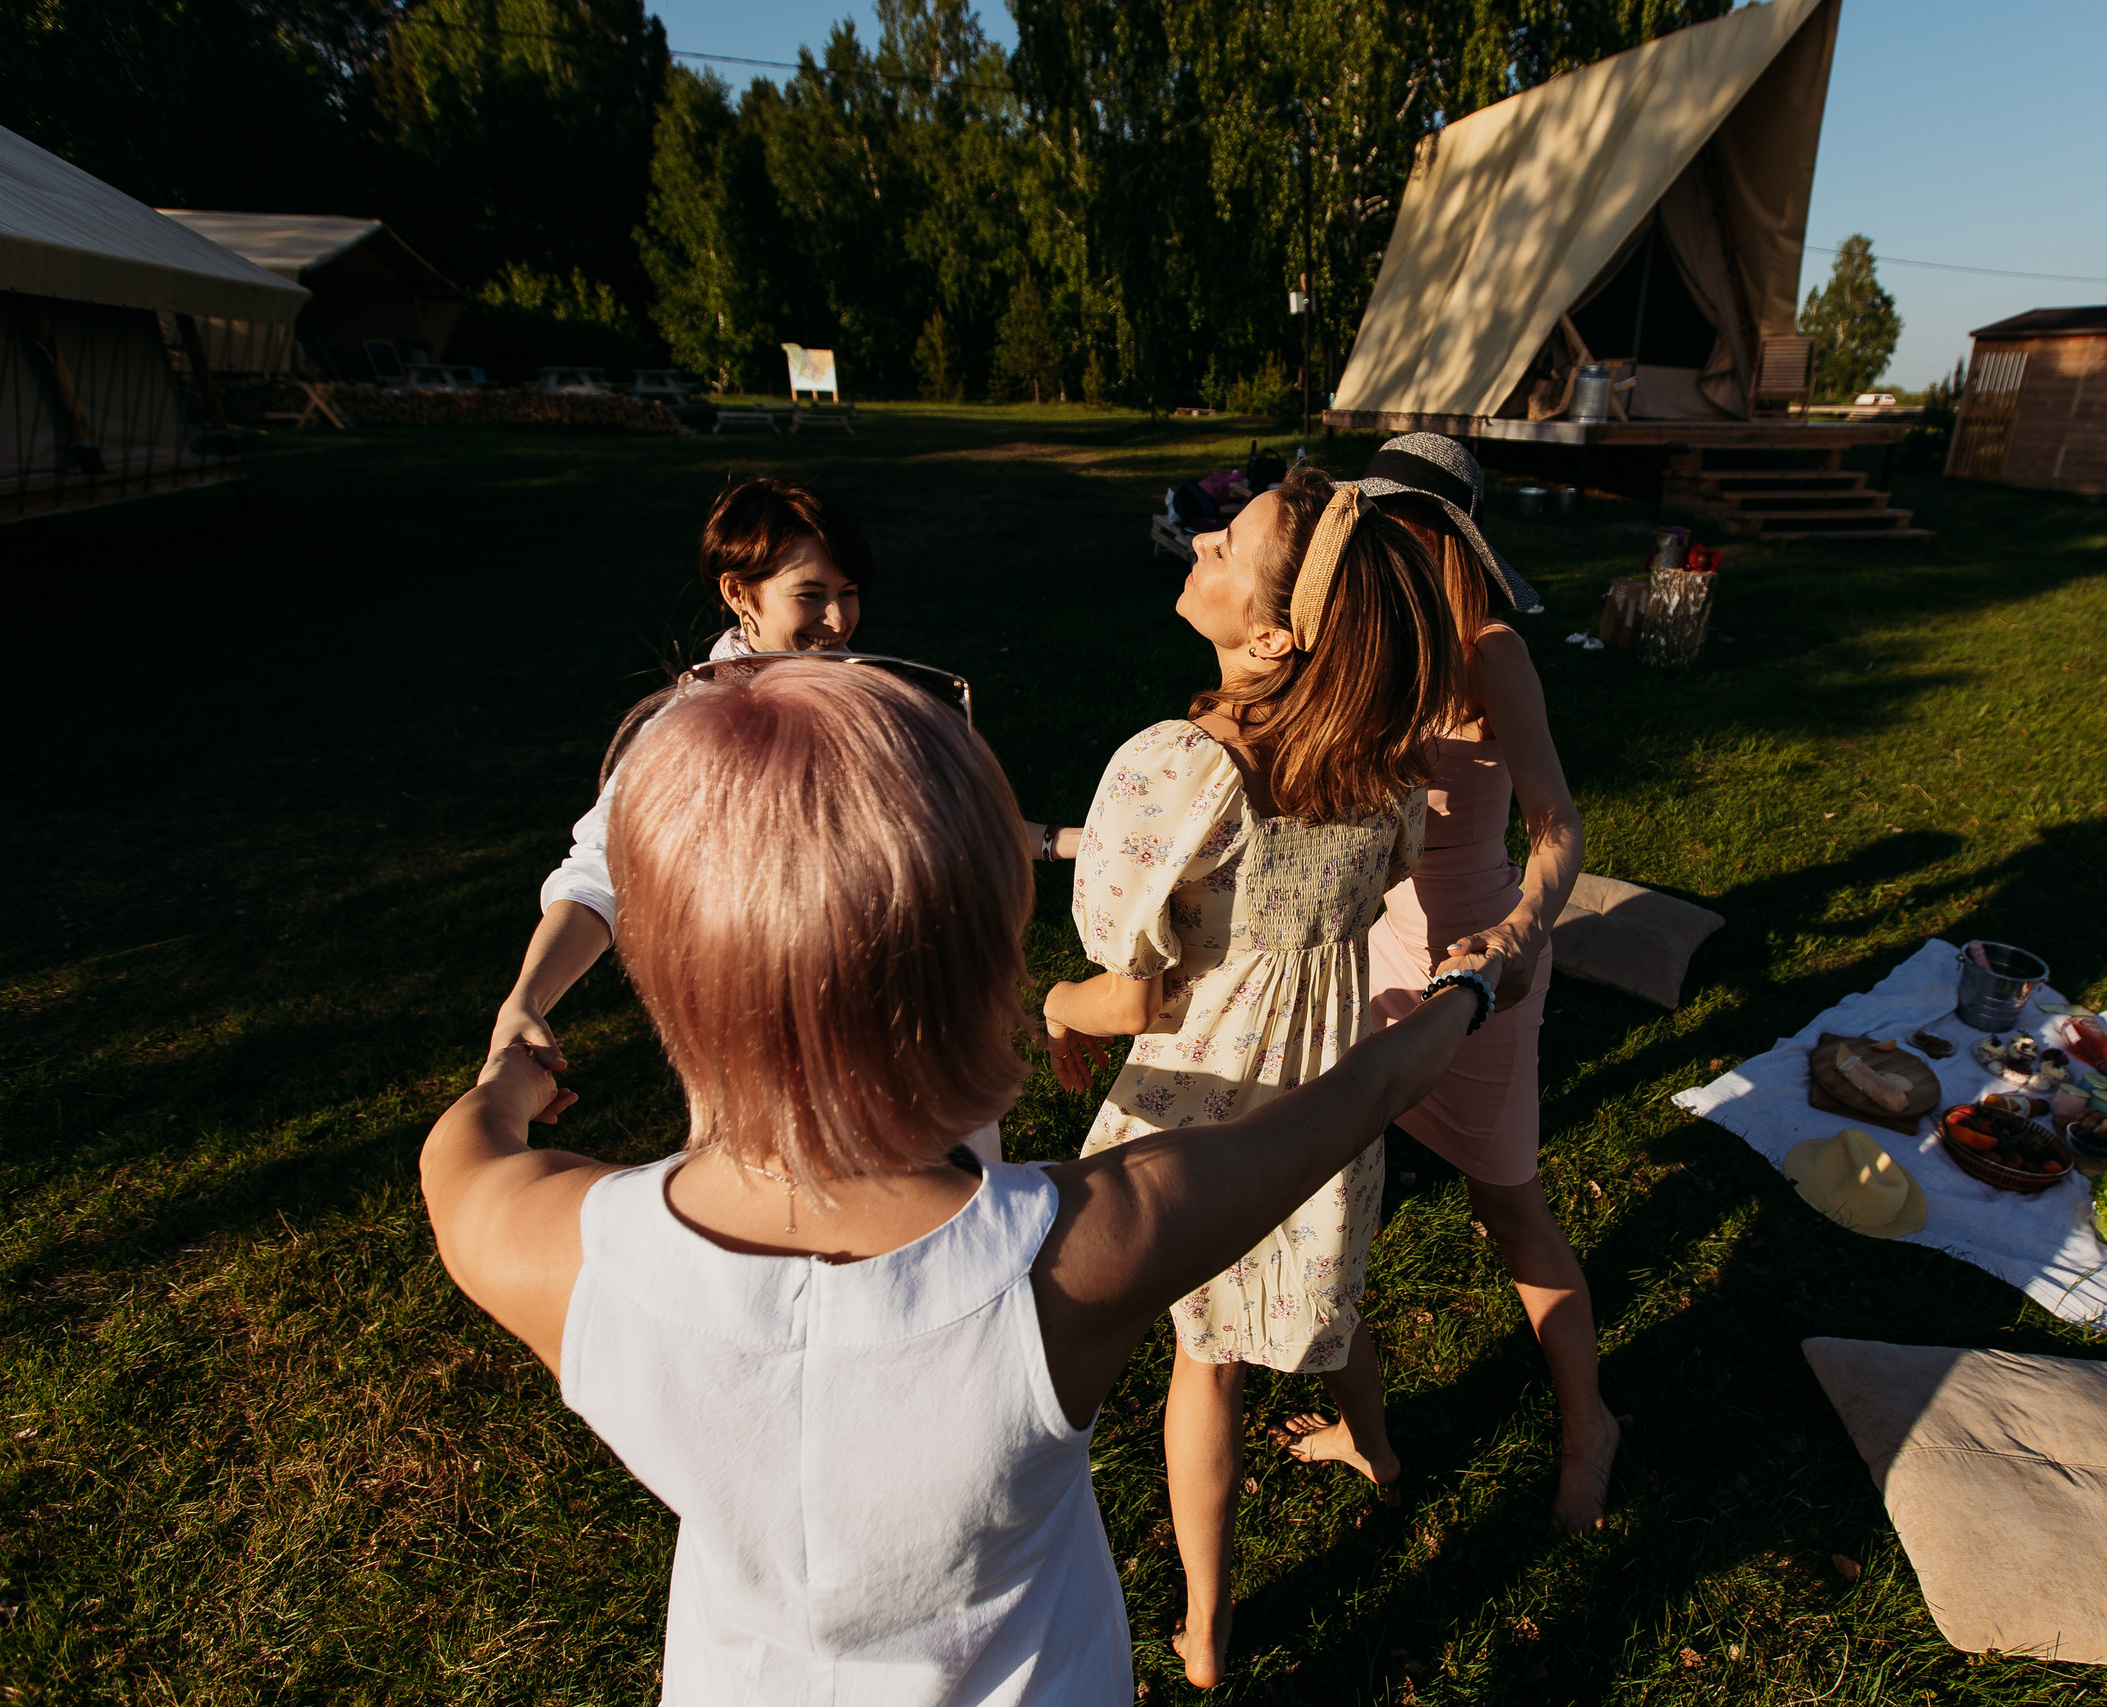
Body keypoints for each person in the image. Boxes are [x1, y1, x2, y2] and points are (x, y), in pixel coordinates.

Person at [418, 660, 1509, 1705]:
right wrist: (1465, 989)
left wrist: (508, 1083)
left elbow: (451, 1160)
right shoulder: (1085, 1251)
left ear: (667, 971)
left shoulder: (563, 1256)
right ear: (984, 960)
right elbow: (1352, 1103)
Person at [1040, 465, 1462, 1688]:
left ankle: (1208, 1630)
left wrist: (1059, 1007)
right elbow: (1381, 887)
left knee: (1208, 1357)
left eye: (1232, 541)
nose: (1204, 534)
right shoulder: (1380, 758)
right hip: (1330, 1090)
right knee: (1332, 1279)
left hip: (1206, 1101)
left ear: (1273, 634)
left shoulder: (1187, 767)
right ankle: (1379, 1452)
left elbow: (1132, 986)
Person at [487, 477, 1079, 1078]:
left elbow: (952, 816)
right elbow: (602, 875)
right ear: (739, 593)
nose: (837, 618)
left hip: (915, 1009)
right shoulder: (692, 730)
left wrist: (1082, 841)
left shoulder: (869, 691)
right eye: (810, 593)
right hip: (783, 1037)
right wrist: (527, 999)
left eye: (848, 592)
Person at [1351, 432, 1619, 1532]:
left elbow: (1559, 825)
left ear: (1447, 540)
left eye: (1398, 532)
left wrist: (1513, 937)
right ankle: (1366, 1434)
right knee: (1344, 1201)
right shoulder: (1357, 643)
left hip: (1483, 971)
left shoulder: (1492, 650)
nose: (1376, 554)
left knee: (1509, 1211)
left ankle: (1588, 1423)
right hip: (1370, 962)